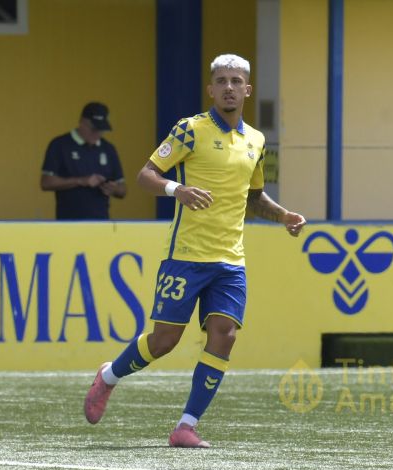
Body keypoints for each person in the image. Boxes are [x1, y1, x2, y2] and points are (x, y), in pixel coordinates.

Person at [84, 54, 307, 447]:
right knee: (163, 341)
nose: (228, 87)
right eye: (221, 81)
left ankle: (185, 426)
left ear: (247, 89)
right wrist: (177, 190)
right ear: (211, 89)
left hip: (230, 261)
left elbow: (253, 197)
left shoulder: (255, 140)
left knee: (225, 335)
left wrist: (283, 215)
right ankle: (108, 378)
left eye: (236, 81)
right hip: (186, 254)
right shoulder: (190, 130)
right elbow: (145, 176)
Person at [40, 102, 126, 219]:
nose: (97, 134)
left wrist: (113, 188)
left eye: (101, 130)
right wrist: (80, 181)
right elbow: (46, 182)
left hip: (102, 224)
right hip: (68, 224)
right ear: (82, 122)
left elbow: (122, 190)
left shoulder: (108, 149)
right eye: (93, 129)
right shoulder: (60, 145)